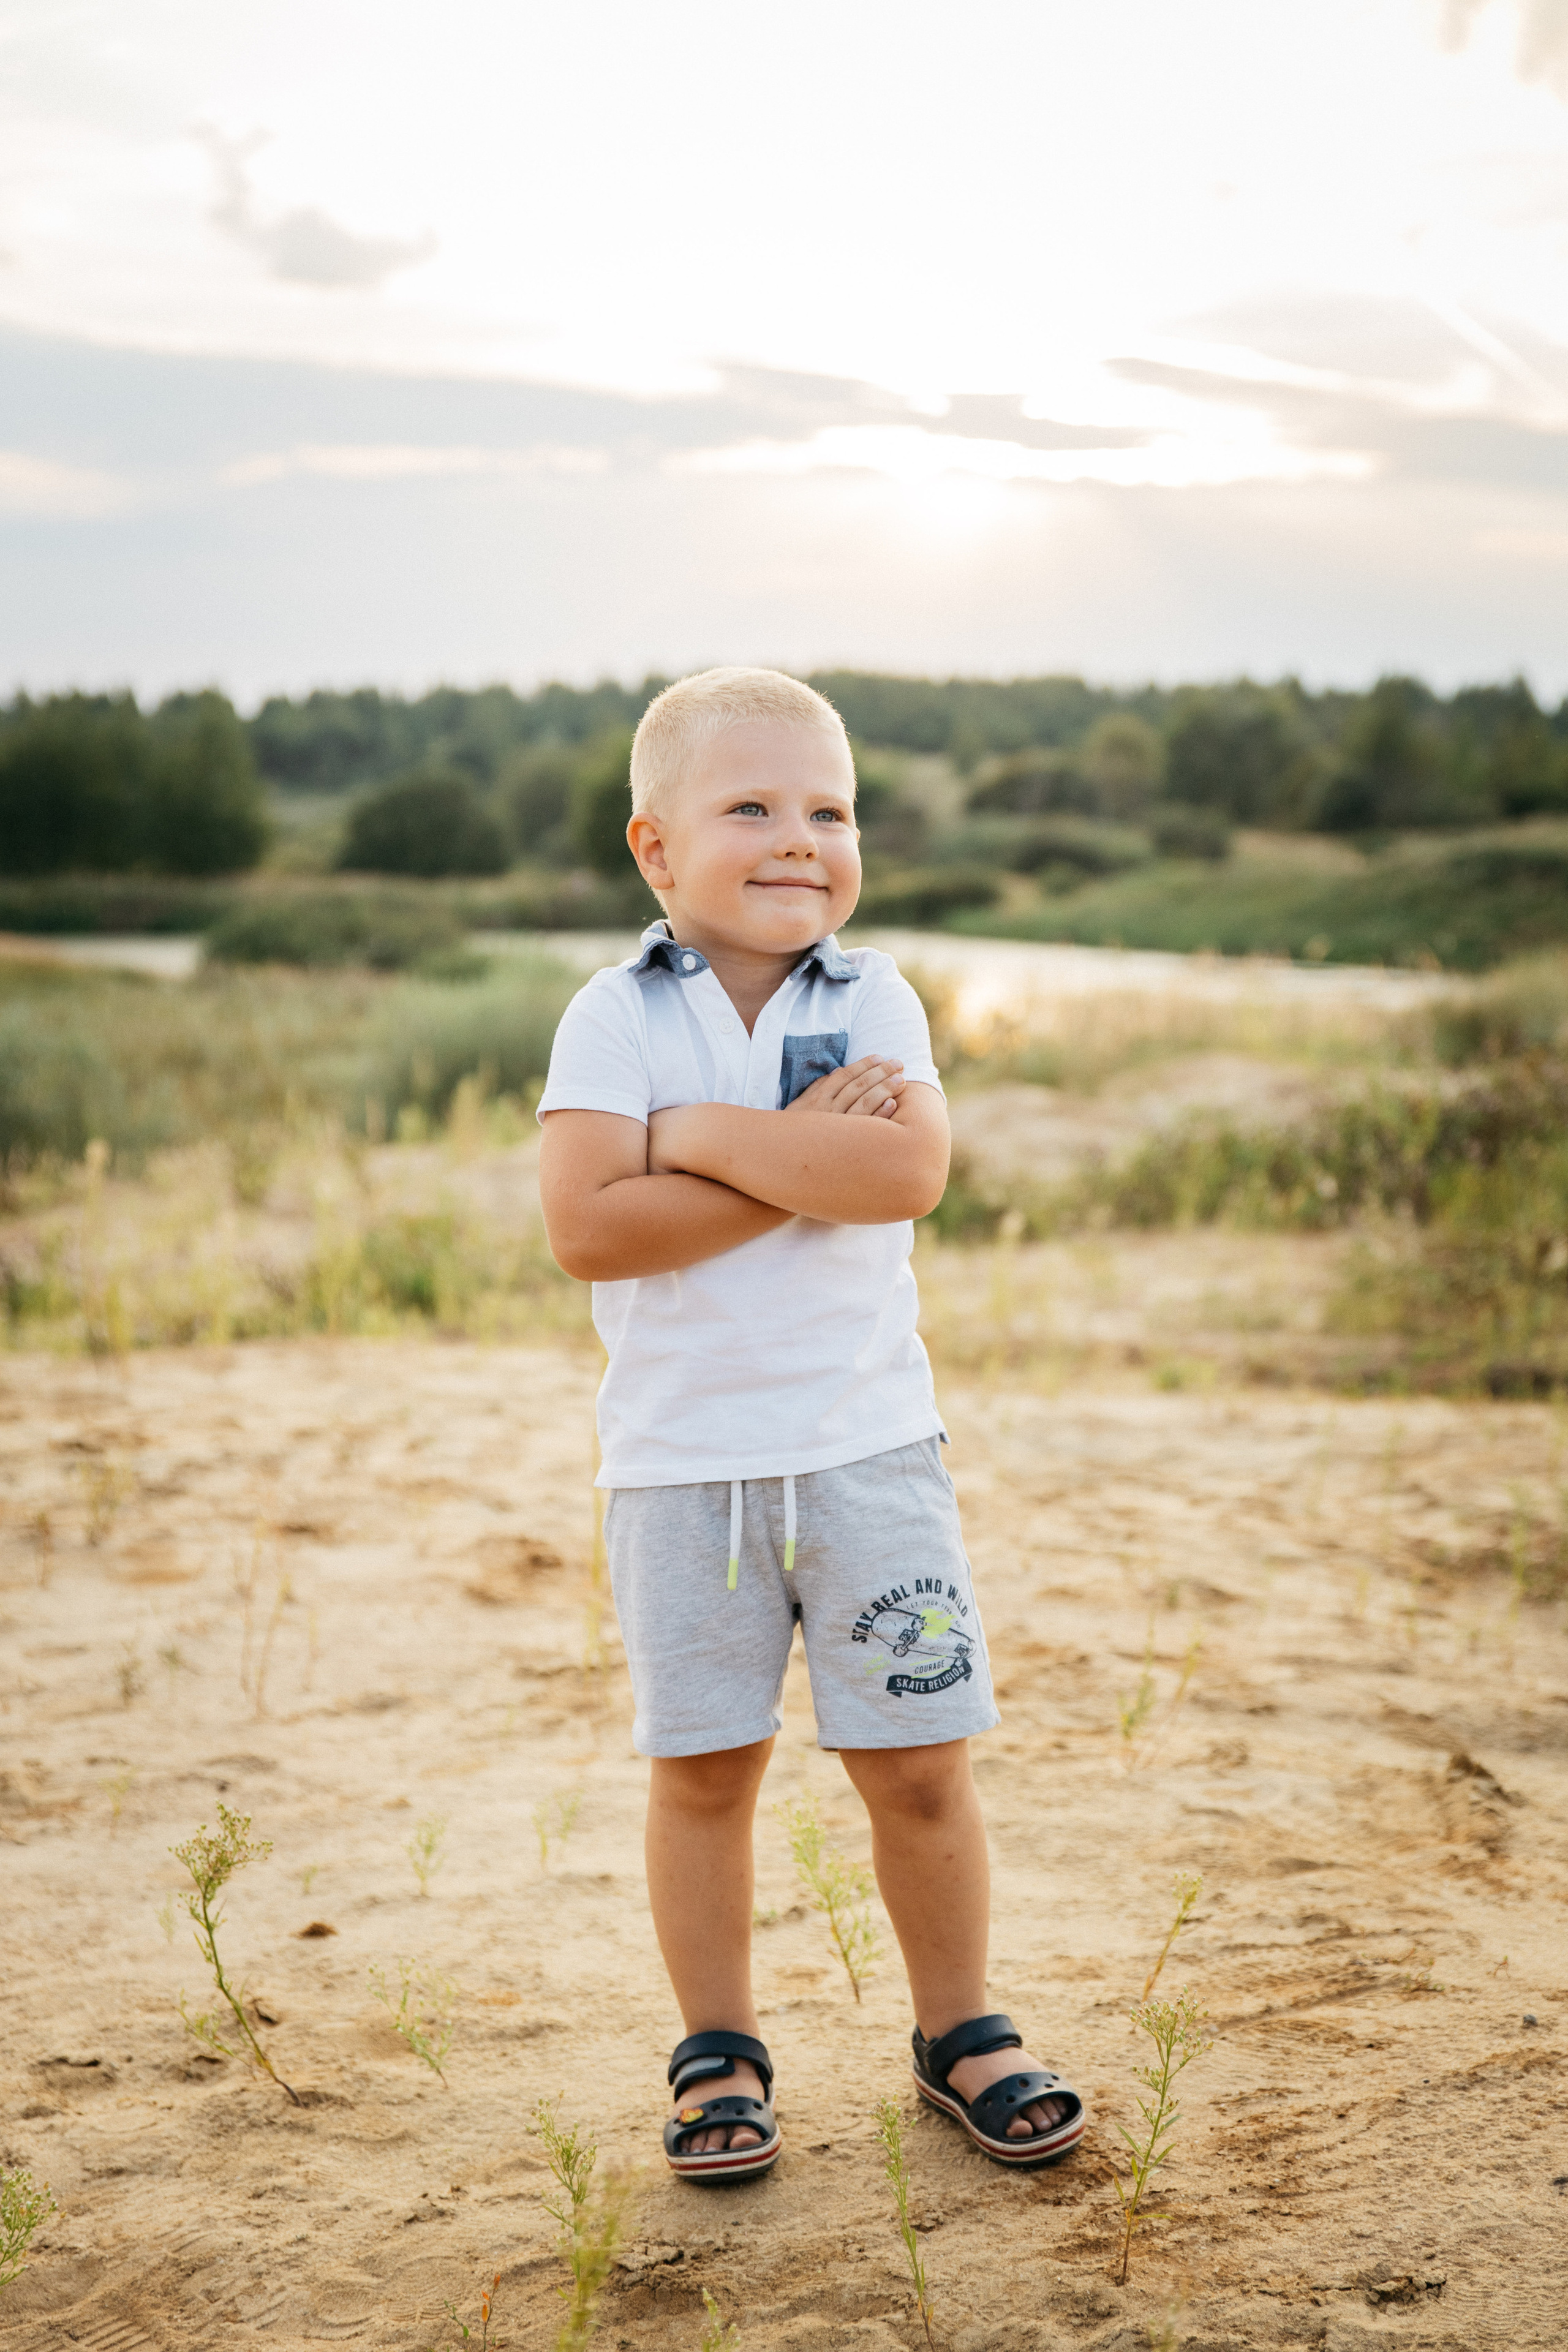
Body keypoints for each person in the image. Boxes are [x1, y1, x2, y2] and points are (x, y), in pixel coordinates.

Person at [537, 668, 1084, 2184]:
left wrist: (697, 1142)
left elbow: (901, 1178)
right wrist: (793, 1153)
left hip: (868, 1457)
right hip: (679, 1472)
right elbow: (589, 1226)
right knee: (705, 1769)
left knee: (917, 1761)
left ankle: (957, 2030)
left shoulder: (877, 993)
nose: (800, 838)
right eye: (752, 807)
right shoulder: (613, 1013)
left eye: (830, 810)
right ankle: (718, 2048)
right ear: (654, 851)